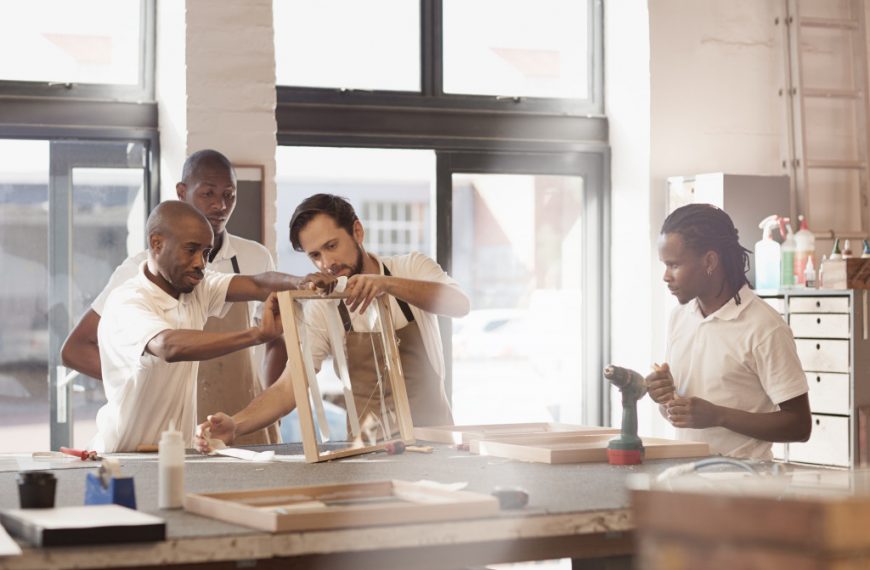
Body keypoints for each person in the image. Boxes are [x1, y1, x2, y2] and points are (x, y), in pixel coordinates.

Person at [196, 193, 470, 448]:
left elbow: (459, 304)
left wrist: (387, 285)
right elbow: (290, 386)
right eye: (315, 255)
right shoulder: (323, 307)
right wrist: (236, 425)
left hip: (436, 443)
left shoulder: (411, 267)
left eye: (332, 246)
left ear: (357, 232)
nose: (327, 263)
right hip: (367, 454)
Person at [61, 149, 280, 444]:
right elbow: (76, 348)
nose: (220, 205)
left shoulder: (253, 258)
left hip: (240, 413)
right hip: (174, 424)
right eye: (208, 194)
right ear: (182, 192)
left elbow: (272, 328)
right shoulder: (133, 279)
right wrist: (143, 379)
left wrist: (270, 401)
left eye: (229, 195)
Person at [94, 201, 326, 453]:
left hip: (176, 451)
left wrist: (302, 282)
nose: (200, 263)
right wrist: (256, 335)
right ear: (157, 243)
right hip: (123, 453)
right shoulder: (127, 301)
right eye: (191, 250)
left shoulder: (197, 288)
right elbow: (169, 346)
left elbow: (259, 284)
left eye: (205, 253)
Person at [646, 203, 811, 459]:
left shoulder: (764, 326)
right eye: (664, 265)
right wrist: (664, 397)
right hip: (687, 478)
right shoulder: (679, 317)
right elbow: (684, 412)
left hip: (744, 485)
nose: (666, 276)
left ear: (710, 261)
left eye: (674, 265)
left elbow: (799, 425)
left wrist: (718, 416)